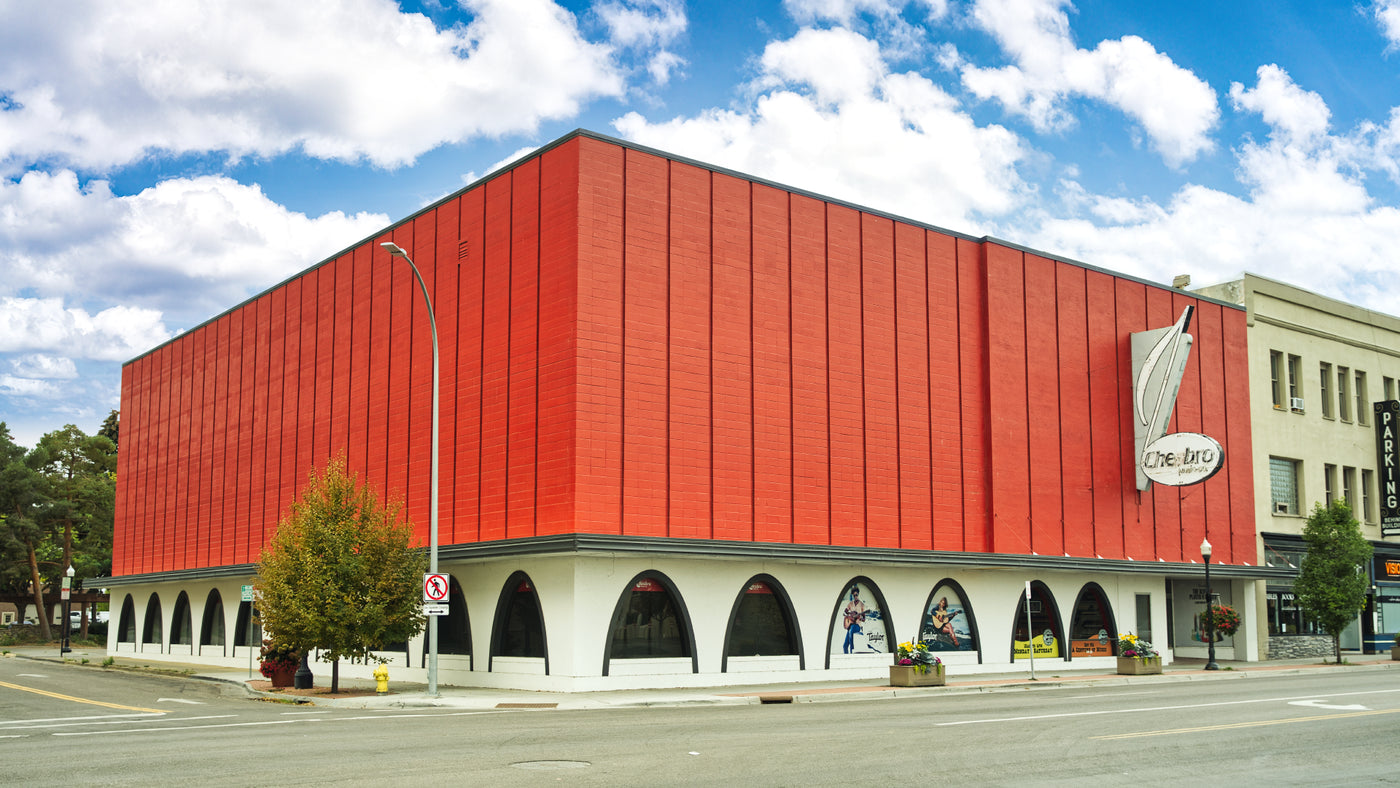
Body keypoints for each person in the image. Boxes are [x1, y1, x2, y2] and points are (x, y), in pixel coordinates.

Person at [842, 586, 867, 654]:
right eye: (854, 595)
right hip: (850, 626)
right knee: (845, 645)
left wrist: (860, 618)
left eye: (856, 595)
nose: (855, 596)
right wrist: (849, 616)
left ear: (858, 594)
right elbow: (844, 612)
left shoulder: (862, 605)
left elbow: (864, 619)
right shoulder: (850, 604)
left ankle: (852, 652)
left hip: (857, 626)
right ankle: (846, 659)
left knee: (852, 629)